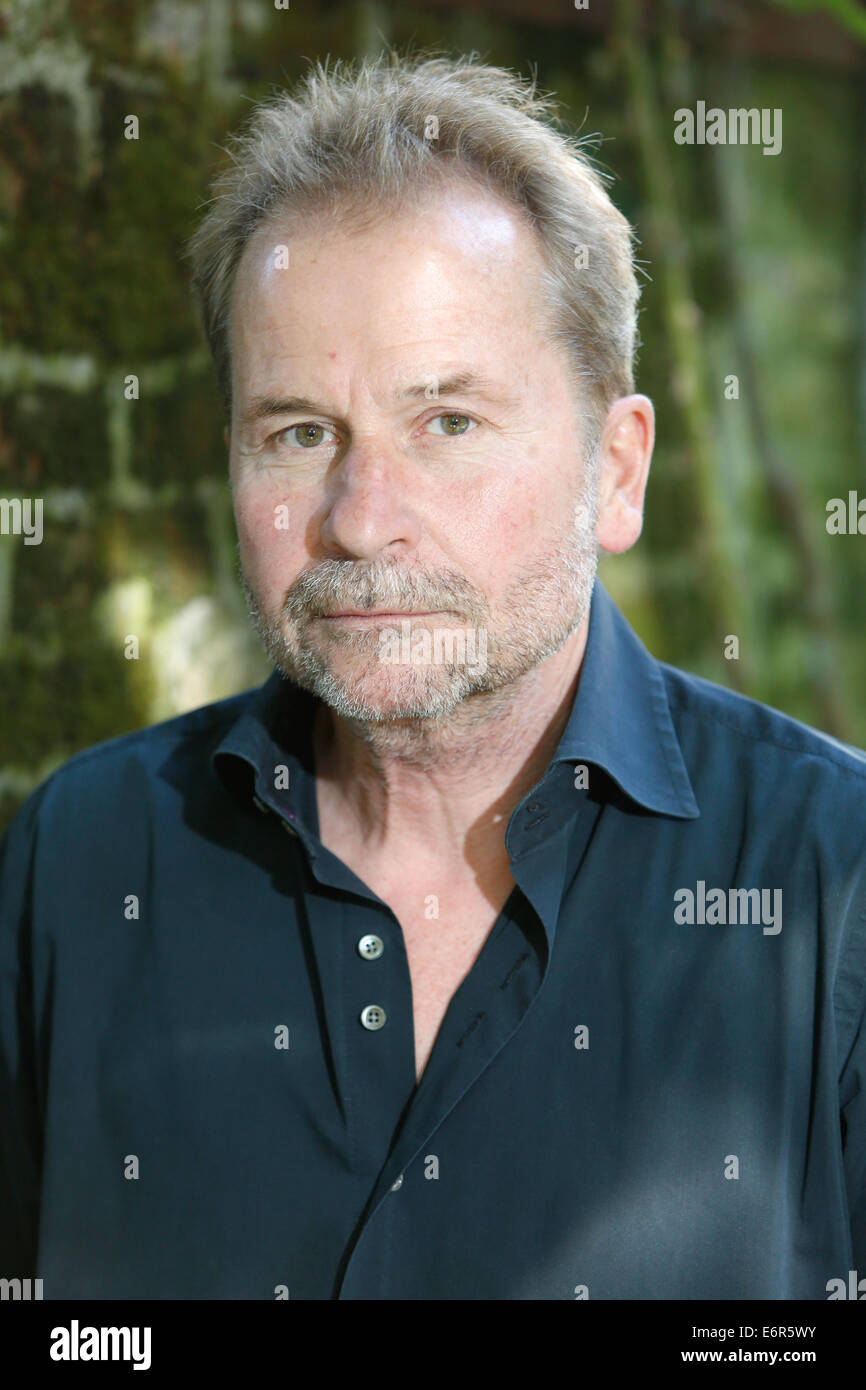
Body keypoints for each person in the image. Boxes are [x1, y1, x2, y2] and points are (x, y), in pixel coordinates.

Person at [1, 52, 864, 1301]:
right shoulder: (78, 864)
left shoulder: (831, 880)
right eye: (299, 433)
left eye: (446, 423)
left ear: (616, 472)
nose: (360, 519)